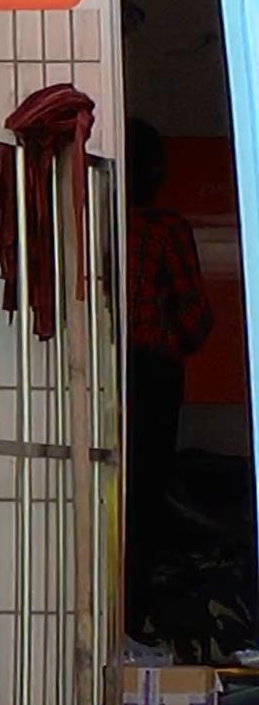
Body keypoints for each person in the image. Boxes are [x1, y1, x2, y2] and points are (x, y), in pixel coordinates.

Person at [125, 118, 214, 638]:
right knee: (147, 496)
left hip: (99, 374)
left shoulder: (91, 221)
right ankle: (134, 618)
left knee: (110, 494)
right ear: (157, 171)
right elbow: (195, 318)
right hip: (153, 373)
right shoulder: (165, 228)